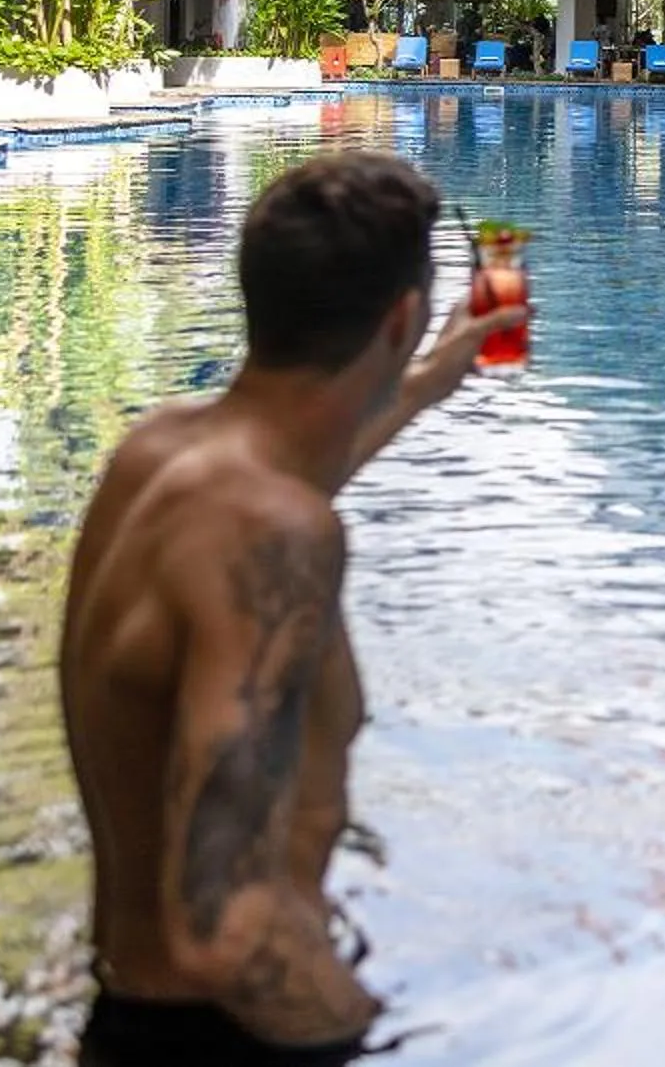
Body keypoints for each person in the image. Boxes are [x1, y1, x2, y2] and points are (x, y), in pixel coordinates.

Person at [59, 151, 528, 1065]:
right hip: (224, 1034)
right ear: (399, 314)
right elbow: (225, 931)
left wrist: (427, 381)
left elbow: (274, 486)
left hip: (132, 1010)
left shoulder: (162, 455)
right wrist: (363, 1032)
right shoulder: (278, 534)